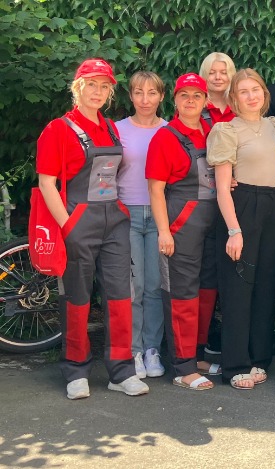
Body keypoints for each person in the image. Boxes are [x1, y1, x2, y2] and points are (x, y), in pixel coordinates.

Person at [36, 58, 149, 399]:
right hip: (78, 221)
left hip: (114, 222)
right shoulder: (58, 129)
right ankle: (75, 370)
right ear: (78, 87)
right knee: (77, 298)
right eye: (91, 85)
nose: (98, 92)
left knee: (120, 297)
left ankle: (121, 371)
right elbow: (46, 183)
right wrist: (67, 225)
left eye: (104, 86)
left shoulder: (110, 128)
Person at [206, 68, 275, 390]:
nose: (251, 96)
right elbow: (222, 188)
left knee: (265, 285)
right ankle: (235, 364)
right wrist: (233, 231)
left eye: (256, 90)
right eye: (244, 91)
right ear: (234, 98)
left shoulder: (272, 126)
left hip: (272, 205)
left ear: (264, 94)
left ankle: (258, 358)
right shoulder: (226, 130)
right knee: (238, 285)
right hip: (242, 206)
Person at [145, 72, 217, 391]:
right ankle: (182, 365)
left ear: (206, 101)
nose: (190, 100)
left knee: (207, 289)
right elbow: (155, 189)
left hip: (213, 221)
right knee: (182, 292)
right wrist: (164, 231)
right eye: (184, 95)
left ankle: (197, 355)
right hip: (181, 222)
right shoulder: (165, 137)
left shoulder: (212, 132)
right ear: (174, 100)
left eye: (197, 95)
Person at [115, 71, 167, 380]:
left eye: (151, 93)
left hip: (160, 215)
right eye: (138, 92)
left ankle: (152, 348)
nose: (145, 99)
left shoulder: (170, 130)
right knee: (133, 287)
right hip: (128, 214)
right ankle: (133, 350)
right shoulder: (117, 130)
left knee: (155, 286)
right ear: (131, 96)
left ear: (162, 96)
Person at [196, 51, 237, 376]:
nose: (219, 77)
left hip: (238, 200)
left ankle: (230, 339)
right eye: (213, 72)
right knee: (206, 274)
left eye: (224, 72)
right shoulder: (195, 108)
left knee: (234, 273)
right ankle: (201, 341)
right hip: (203, 200)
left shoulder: (240, 108)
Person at [199, 52, 237, 125]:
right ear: (204, 75)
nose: (217, 77)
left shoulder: (241, 106)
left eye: (224, 73)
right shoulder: (195, 106)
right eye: (211, 73)